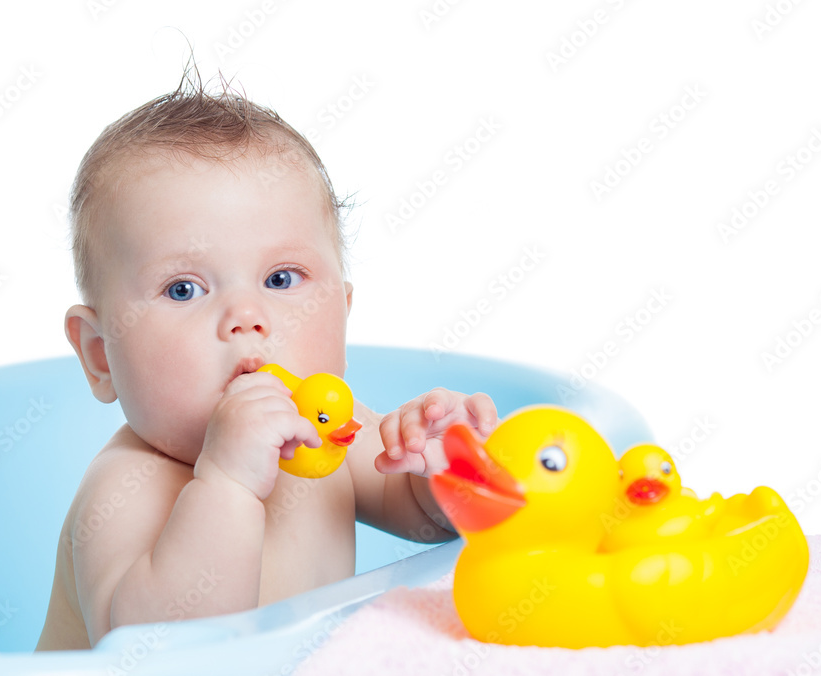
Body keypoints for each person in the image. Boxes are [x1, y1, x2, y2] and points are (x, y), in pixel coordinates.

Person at [35, 71, 497, 650]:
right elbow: (160, 651)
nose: (247, 318)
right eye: (184, 289)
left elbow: (430, 524)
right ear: (102, 356)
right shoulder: (127, 487)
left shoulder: (332, 435)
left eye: (281, 279)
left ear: (343, 312)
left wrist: (445, 465)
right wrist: (227, 481)